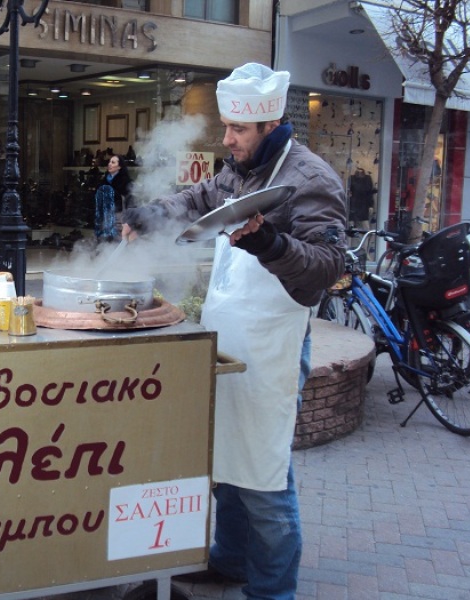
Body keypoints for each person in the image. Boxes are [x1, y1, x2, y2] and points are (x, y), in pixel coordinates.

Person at [122, 63, 347, 599]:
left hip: (272, 344)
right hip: (229, 337)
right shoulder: (239, 170)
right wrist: (152, 213)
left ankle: (272, 589)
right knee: (226, 459)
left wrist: (269, 243)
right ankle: (230, 559)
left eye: (237, 130)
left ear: (269, 126)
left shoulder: (311, 179)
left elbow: (325, 267)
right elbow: (198, 200)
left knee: (265, 474)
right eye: (225, 128)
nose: (227, 139)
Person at [95, 154, 133, 242]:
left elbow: (130, 200)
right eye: (109, 162)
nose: (109, 164)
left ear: (119, 166)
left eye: (113, 162)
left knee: (117, 240)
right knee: (103, 240)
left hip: (119, 216)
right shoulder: (104, 180)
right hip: (104, 215)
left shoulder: (125, 181)